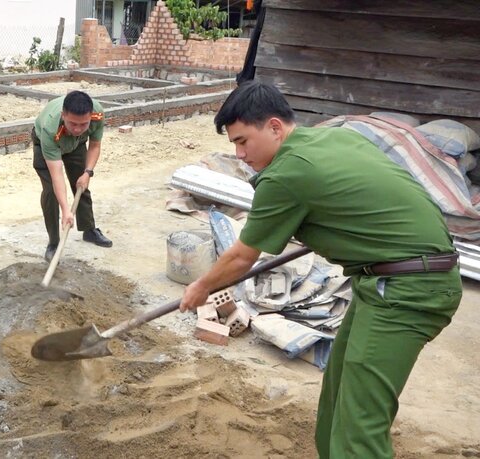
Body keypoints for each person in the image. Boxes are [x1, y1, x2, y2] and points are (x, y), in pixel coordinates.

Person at [179, 81, 462, 458]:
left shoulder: (285, 175)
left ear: (275, 128)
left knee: (360, 422)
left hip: (407, 288)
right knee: (338, 394)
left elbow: (241, 258)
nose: (240, 153)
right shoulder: (334, 140)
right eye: (234, 143)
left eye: (243, 141)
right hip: (382, 279)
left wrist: (201, 286)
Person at [32, 90, 112, 261]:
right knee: (51, 192)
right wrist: (66, 210)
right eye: (73, 123)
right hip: (48, 145)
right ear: (63, 115)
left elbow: (95, 145)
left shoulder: (97, 114)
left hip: (77, 145)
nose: (77, 128)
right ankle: (54, 242)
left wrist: (87, 172)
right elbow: (56, 174)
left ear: (90, 116)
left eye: (83, 124)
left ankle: (89, 229)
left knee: (82, 185)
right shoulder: (50, 127)